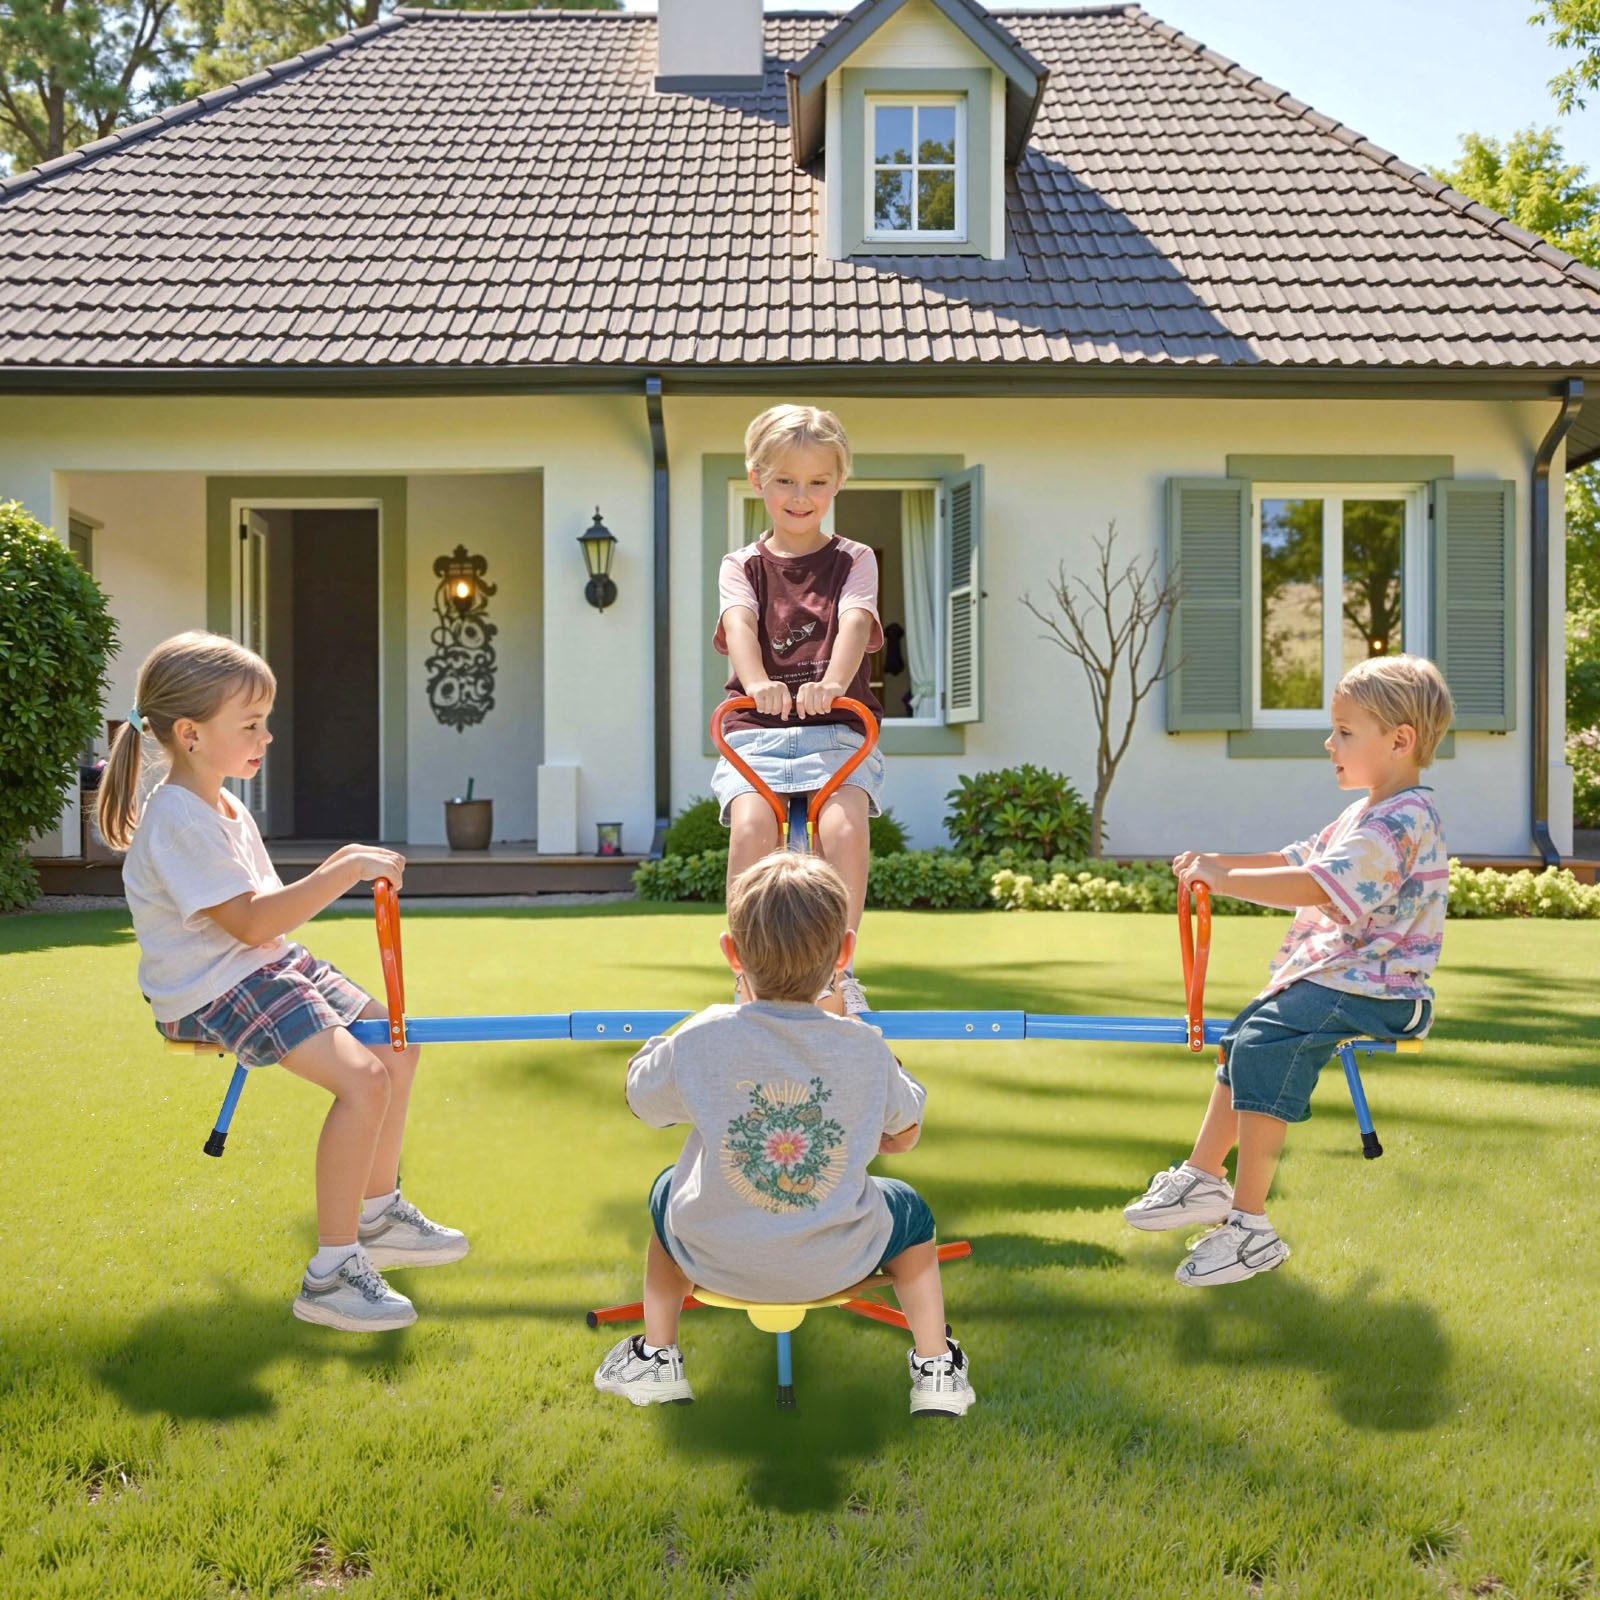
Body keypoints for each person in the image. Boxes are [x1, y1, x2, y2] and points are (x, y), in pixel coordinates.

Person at [99, 631, 467, 1333]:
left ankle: (378, 1213)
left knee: (399, 1045)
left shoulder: (225, 808)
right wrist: (340, 871)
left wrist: (337, 870)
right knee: (363, 1080)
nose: (267, 736)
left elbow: (263, 929)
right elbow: (245, 922)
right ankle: (331, 1272)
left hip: (260, 965)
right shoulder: (177, 818)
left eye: (265, 720)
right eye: (251, 724)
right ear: (191, 734)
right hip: (214, 987)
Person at [594, 852, 974, 1417]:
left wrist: (676, 1041)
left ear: (731, 953)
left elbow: (640, 1099)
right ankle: (936, 1367)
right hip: (841, 1259)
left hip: (712, 1258)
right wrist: (860, 1031)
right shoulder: (863, 1045)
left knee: (668, 1192)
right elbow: (906, 1130)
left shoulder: (702, 1037)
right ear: (845, 953)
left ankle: (658, 1356)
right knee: (910, 1211)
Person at [1124, 654, 1454, 1286]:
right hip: (1342, 982)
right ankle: (1204, 1177)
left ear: (1400, 740)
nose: (1330, 743)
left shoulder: (1403, 819)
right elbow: (1294, 856)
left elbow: (1318, 883)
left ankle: (1250, 1226)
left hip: (1378, 988)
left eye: (1345, 731)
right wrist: (1220, 863)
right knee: (1246, 1035)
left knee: (1267, 1042)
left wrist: (1224, 879)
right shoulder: (1366, 812)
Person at [712, 404, 885, 1016]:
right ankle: (750, 977)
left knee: (842, 827)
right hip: (757, 731)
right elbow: (741, 625)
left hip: (837, 728)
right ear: (757, 480)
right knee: (753, 829)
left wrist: (833, 685)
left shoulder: (853, 559)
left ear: (837, 483)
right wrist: (757, 681)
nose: (800, 495)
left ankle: (840, 970)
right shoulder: (743, 565)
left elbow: (855, 622)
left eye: (816, 481)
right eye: (786, 480)